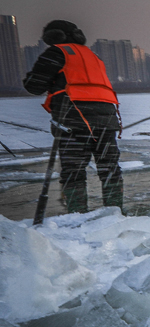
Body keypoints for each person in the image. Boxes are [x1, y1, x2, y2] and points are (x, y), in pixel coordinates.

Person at [23, 20, 123, 214]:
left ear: (55, 37)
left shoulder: (57, 52)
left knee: (74, 173)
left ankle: (77, 218)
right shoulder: (94, 56)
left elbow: (33, 86)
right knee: (109, 169)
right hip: (107, 119)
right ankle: (116, 213)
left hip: (74, 119)